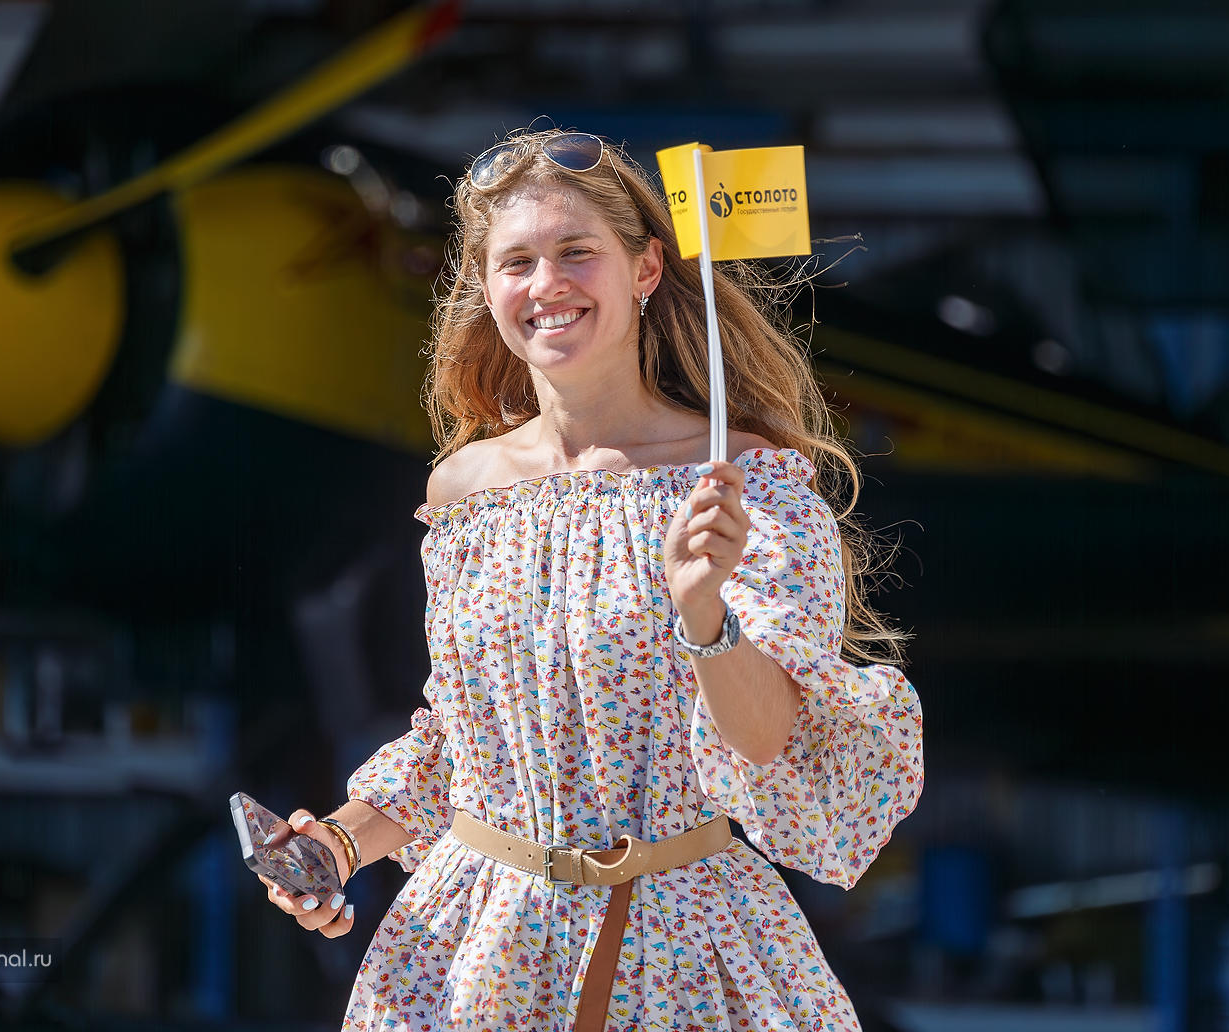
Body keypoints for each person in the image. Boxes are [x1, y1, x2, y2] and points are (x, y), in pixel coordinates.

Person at [258, 128, 924, 1032]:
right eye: (517, 262)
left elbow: (768, 737)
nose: (547, 284)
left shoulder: (743, 479)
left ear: (645, 268)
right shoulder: (465, 491)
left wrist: (703, 614)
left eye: (577, 252)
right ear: (487, 287)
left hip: (680, 950)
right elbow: (461, 745)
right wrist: (335, 846)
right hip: (475, 953)